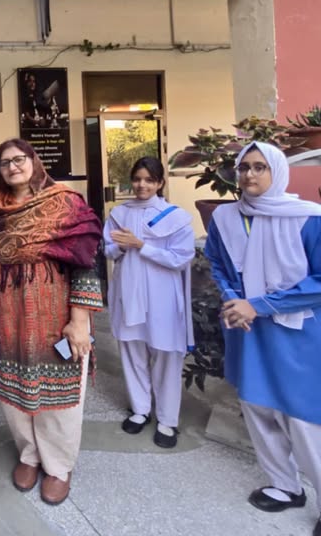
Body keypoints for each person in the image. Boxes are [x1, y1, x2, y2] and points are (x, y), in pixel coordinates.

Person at [205, 141, 321, 536]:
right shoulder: (225, 217)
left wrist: (260, 305)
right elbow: (217, 262)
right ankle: (285, 486)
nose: (249, 175)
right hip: (246, 327)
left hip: (295, 331)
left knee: (303, 418)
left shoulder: (308, 218)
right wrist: (233, 299)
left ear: (277, 171)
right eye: (244, 167)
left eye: (259, 167)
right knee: (257, 406)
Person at [0, 138, 102, 506]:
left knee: (57, 396)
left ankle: (58, 465)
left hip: (54, 316)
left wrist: (79, 321)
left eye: (19, 159)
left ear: (34, 161)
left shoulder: (64, 202)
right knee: (13, 391)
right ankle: (29, 453)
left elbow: (86, 262)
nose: (12, 167)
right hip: (5, 317)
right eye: (4, 163)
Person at [104, 156, 195, 448]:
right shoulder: (119, 213)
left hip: (162, 296)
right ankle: (141, 409)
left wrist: (142, 246)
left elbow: (181, 258)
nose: (142, 185)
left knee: (166, 355)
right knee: (132, 351)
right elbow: (108, 250)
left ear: (160, 183)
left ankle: (167, 420)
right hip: (128, 292)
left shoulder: (175, 216)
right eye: (137, 179)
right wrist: (120, 247)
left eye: (149, 180)